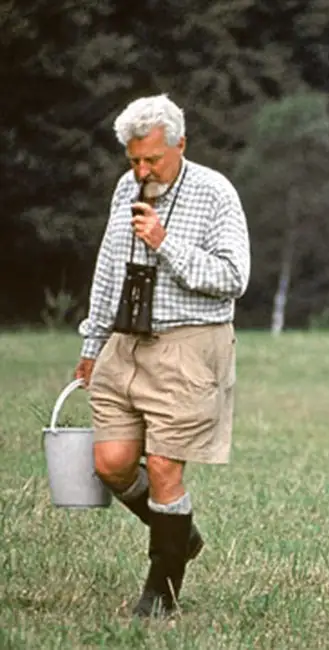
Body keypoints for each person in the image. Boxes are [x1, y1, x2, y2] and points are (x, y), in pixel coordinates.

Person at [74, 93, 251, 618]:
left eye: (152, 158)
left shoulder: (215, 192)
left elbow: (232, 279)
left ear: (180, 145)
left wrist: (165, 241)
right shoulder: (125, 189)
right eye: (134, 160)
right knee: (110, 463)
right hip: (125, 344)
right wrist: (92, 342)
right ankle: (178, 533)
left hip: (189, 344)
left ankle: (161, 593)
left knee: (166, 468)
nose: (142, 170)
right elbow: (109, 266)